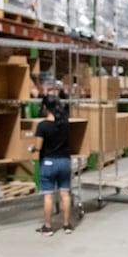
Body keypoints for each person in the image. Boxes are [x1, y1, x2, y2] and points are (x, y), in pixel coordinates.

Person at [29, 95, 73, 236]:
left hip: (49, 163)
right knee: (65, 194)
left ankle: (48, 227)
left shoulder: (43, 126)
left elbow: (38, 147)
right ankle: (67, 225)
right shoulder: (65, 123)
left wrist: (32, 148)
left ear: (45, 107)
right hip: (65, 161)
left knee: (48, 196)